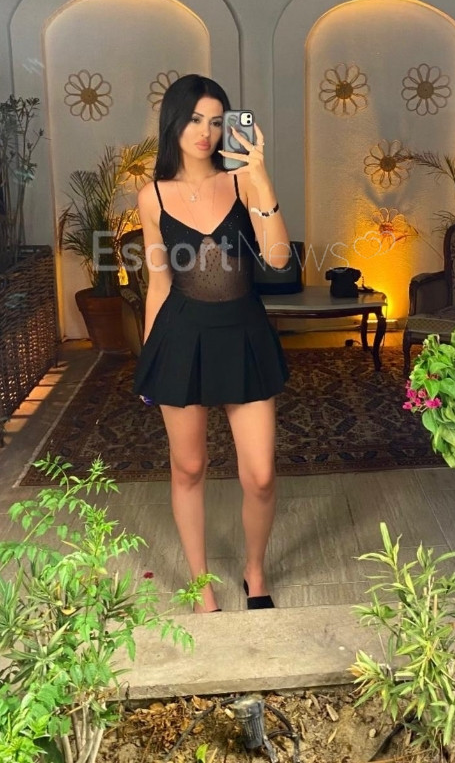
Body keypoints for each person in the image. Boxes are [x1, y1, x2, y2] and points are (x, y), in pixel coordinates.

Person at [133, 74, 290, 613]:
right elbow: (159, 283)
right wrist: (150, 360)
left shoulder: (243, 182)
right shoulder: (152, 197)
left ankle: (254, 571)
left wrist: (261, 177)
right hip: (181, 337)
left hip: (244, 333)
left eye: (217, 121)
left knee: (261, 475)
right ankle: (200, 586)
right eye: (196, 119)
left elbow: (277, 259)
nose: (205, 131)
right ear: (174, 122)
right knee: (189, 468)